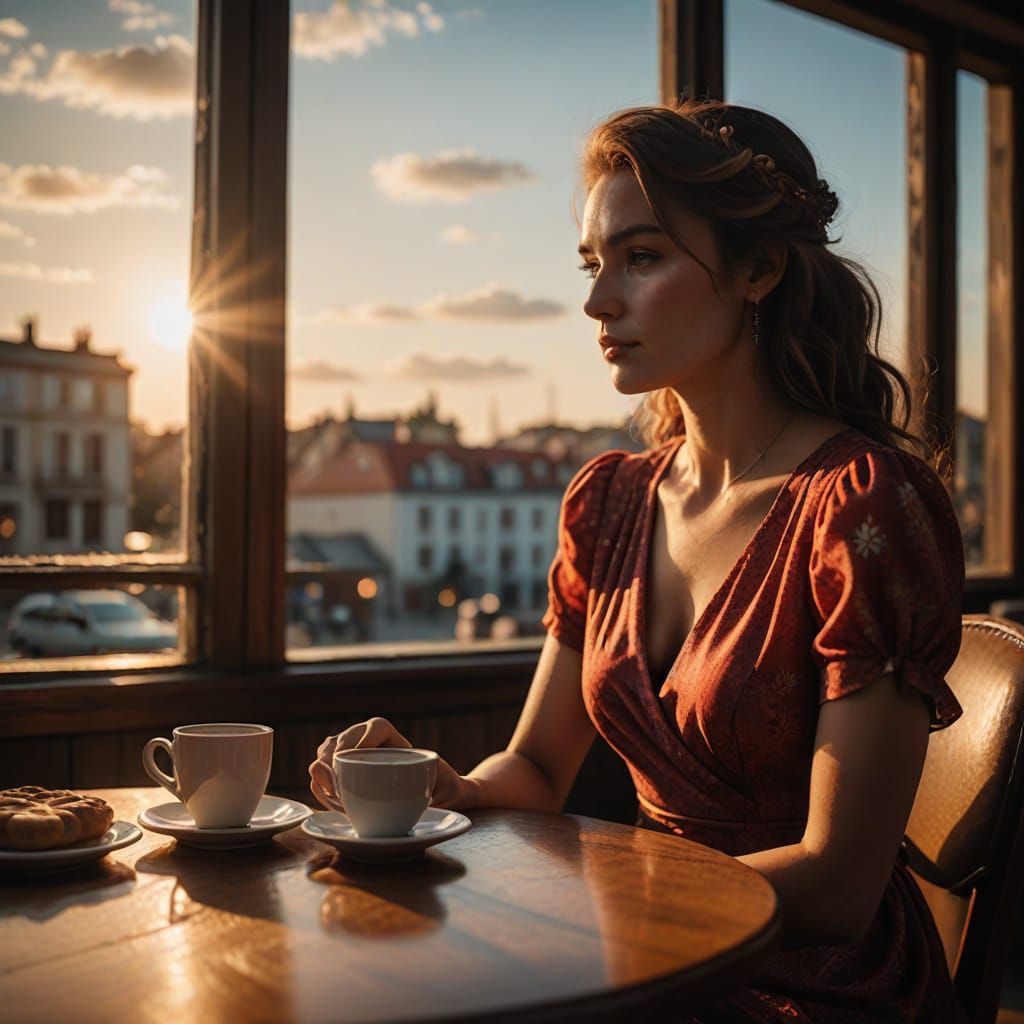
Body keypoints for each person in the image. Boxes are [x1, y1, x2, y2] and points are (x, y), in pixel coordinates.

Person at [309, 99, 967, 1023]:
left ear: (760, 269)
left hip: (808, 987)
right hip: (641, 953)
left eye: (643, 257)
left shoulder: (863, 505)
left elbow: (840, 883)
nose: (596, 300)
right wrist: (442, 782)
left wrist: (603, 924)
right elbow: (537, 767)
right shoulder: (610, 501)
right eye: (592, 263)